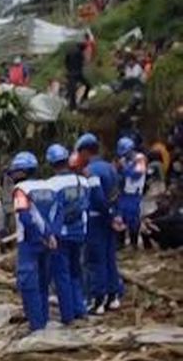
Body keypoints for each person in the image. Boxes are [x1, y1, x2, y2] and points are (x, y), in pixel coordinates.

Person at [10, 152, 57, 333]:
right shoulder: (48, 187)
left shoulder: (21, 190)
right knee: (43, 282)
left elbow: (25, 217)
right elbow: (56, 212)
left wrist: (39, 237)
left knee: (29, 284)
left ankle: (36, 325)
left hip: (29, 241)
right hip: (48, 239)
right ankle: (43, 319)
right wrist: (50, 235)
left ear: (21, 172)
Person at [77, 133, 124, 314]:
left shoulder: (91, 171)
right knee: (109, 257)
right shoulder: (110, 168)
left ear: (86, 152)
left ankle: (98, 300)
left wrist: (108, 214)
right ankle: (113, 296)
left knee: (95, 260)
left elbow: (97, 196)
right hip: (109, 219)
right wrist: (115, 215)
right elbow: (116, 194)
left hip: (96, 219)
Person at [46, 144, 90, 325]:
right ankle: (81, 309)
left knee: (62, 275)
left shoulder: (51, 184)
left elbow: (50, 211)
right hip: (80, 232)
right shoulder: (83, 181)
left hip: (61, 235)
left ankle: (68, 315)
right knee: (76, 272)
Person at [116, 137, 148, 248]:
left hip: (134, 195)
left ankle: (134, 245)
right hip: (123, 195)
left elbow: (136, 174)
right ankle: (121, 246)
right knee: (120, 221)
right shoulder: (123, 160)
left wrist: (124, 167)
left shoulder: (140, 158)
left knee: (134, 223)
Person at [66, 42, 91, 111]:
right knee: (88, 85)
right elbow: (83, 63)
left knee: (72, 90)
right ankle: (81, 101)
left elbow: (66, 62)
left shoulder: (70, 52)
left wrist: (69, 70)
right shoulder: (80, 54)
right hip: (77, 73)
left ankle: (73, 106)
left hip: (71, 73)